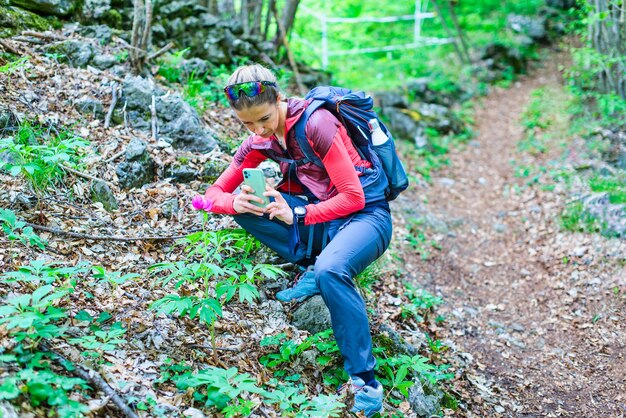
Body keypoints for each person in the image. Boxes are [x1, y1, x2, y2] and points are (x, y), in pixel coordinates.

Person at [193, 64, 393, 417]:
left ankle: (366, 382)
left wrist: (297, 215)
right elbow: (210, 195)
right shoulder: (260, 139)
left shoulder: (317, 124)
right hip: (323, 216)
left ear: (280, 100)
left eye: (264, 119)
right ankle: (312, 266)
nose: (258, 130)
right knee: (249, 207)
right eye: (247, 125)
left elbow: (353, 198)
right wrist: (233, 202)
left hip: (366, 217)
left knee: (333, 270)